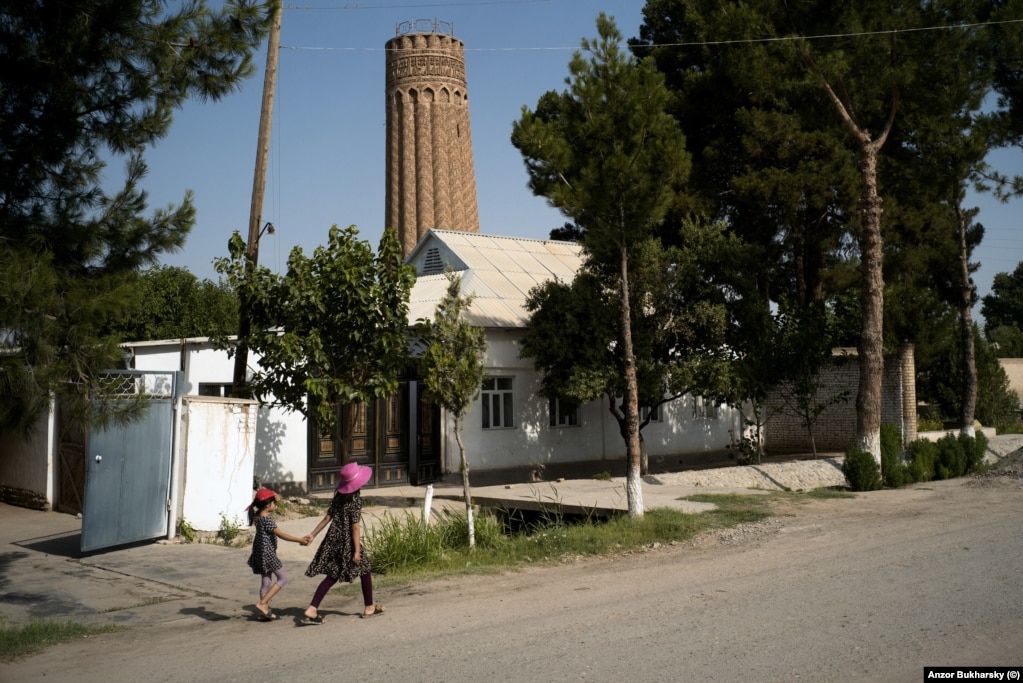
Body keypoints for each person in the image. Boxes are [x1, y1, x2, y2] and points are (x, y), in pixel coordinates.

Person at [300, 462, 385, 624]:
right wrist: (357, 551)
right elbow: (355, 527)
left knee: (332, 574)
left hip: (333, 540)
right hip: (347, 542)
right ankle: (369, 607)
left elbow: (327, 518)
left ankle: (312, 608)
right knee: (364, 568)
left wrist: (313, 534)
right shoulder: (355, 501)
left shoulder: (338, 497)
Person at [246, 487, 308, 622]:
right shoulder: (268, 521)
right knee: (282, 578)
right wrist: (299, 540)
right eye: (273, 503)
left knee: (266, 581)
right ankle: (262, 604)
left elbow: (268, 506)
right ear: (268, 505)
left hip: (260, 552)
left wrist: (274, 499)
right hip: (268, 554)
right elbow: (282, 535)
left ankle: (264, 612)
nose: (275, 504)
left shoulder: (258, 516)